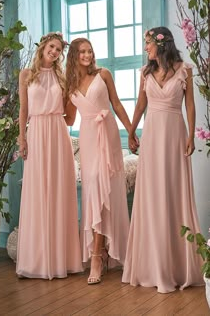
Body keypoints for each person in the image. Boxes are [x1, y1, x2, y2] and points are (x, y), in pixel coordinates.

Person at [122, 27, 204, 293]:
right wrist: (132, 131)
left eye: (148, 44)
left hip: (174, 135)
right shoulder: (145, 73)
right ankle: (152, 264)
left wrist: (191, 136)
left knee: (173, 192)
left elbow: (190, 105)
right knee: (152, 195)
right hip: (152, 137)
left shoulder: (184, 69)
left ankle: (178, 265)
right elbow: (140, 105)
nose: (145, 48)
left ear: (162, 44)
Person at [16, 32, 83, 279]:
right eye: (52, 47)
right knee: (37, 191)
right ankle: (36, 260)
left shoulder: (62, 77)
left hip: (57, 133)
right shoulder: (25, 75)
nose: (54, 52)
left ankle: (60, 260)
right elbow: (23, 109)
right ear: (43, 46)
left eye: (58, 50)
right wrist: (22, 137)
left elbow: (70, 117)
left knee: (58, 192)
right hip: (36, 133)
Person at [65, 38, 131, 285]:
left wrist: (132, 131)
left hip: (109, 133)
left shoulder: (103, 74)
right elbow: (70, 119)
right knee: (93, 187)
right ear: (74, 55)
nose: (87, 54)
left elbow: (116, 104)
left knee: (107, 190)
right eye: (82, 51)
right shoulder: (69, 84)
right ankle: (99, 253)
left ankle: (97, 255)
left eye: (89, 50)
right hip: (89, 137)